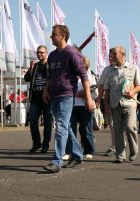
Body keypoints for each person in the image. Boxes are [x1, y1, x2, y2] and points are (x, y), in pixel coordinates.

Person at [42, 25, 94, 173]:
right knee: (65, 127)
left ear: (63, 36)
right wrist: (46, 90)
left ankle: (56, 161)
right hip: (54, 95)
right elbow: (50, 76)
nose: (51, 36)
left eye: (54, 34)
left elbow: (84, 77)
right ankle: (77, 155)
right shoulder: (52, 55)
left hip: (67, 95)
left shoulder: (72, 53)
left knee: (61, 127)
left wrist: (89, 98)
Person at [104, 46, 140, 163]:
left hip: (129, 104)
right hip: (115, 104)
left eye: (115, 53)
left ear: (122, 54)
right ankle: (120, 155)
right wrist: (106, 104)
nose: (112, 56)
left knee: (130, 127)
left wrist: (132, 92)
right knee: (118, 131)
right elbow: (107, 89)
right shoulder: (110, 70)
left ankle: (134, 150)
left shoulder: (133, 68)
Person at [24, 45, 53, 153]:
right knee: (32, 120)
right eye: (38, 53)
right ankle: (36, 143)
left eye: (42, 52)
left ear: (46, 53)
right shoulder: (35, 66)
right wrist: (30, 68)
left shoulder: (50, 65)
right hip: (35, 98)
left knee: (47, 122)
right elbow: (27, 78)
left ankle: (45, 145)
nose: (40, 54)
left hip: (47, 99)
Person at [68, 56, 96, 160]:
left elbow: (94, 92)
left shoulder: (90, 76)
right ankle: (70, 151)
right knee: (70, 129)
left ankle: (88, 150)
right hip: (71, 105)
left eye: (82, 64)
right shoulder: (71, 75)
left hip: (85, 105)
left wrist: (82, 93)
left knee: (86, 129)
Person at [96, 48, 116, 156]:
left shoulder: (127, 69)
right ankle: (115, 146)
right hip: (109, 101)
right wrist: (99, 98)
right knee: (112, 124)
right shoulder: (106, 70)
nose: (110, 58)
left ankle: (121, 144)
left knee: (126, 126)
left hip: (123, 102)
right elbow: (101, 85)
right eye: (109, 56)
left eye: (112, 56)